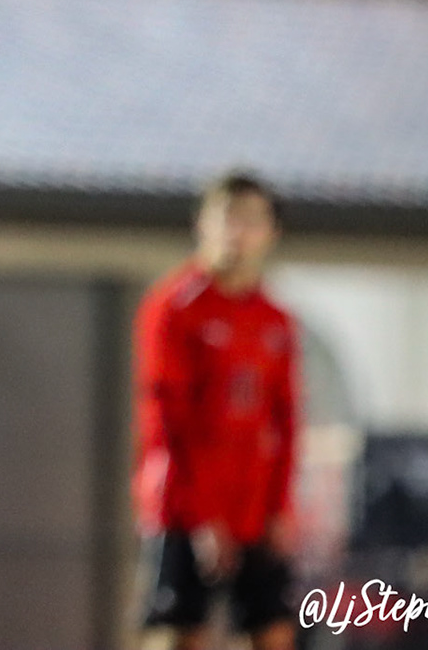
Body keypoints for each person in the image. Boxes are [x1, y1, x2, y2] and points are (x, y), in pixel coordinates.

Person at [134, 171, 299, 650]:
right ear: (201, 224)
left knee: (273, 631)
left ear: (271, 233)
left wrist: (280, 506)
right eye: (228, 217)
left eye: (251, 220)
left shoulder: (275, 320)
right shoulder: (173, 307)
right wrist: (202, 516)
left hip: (253, 508)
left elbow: (286, 420)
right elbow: (167, 421)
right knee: (180, 633)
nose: (238, 232)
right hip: (183, 507)